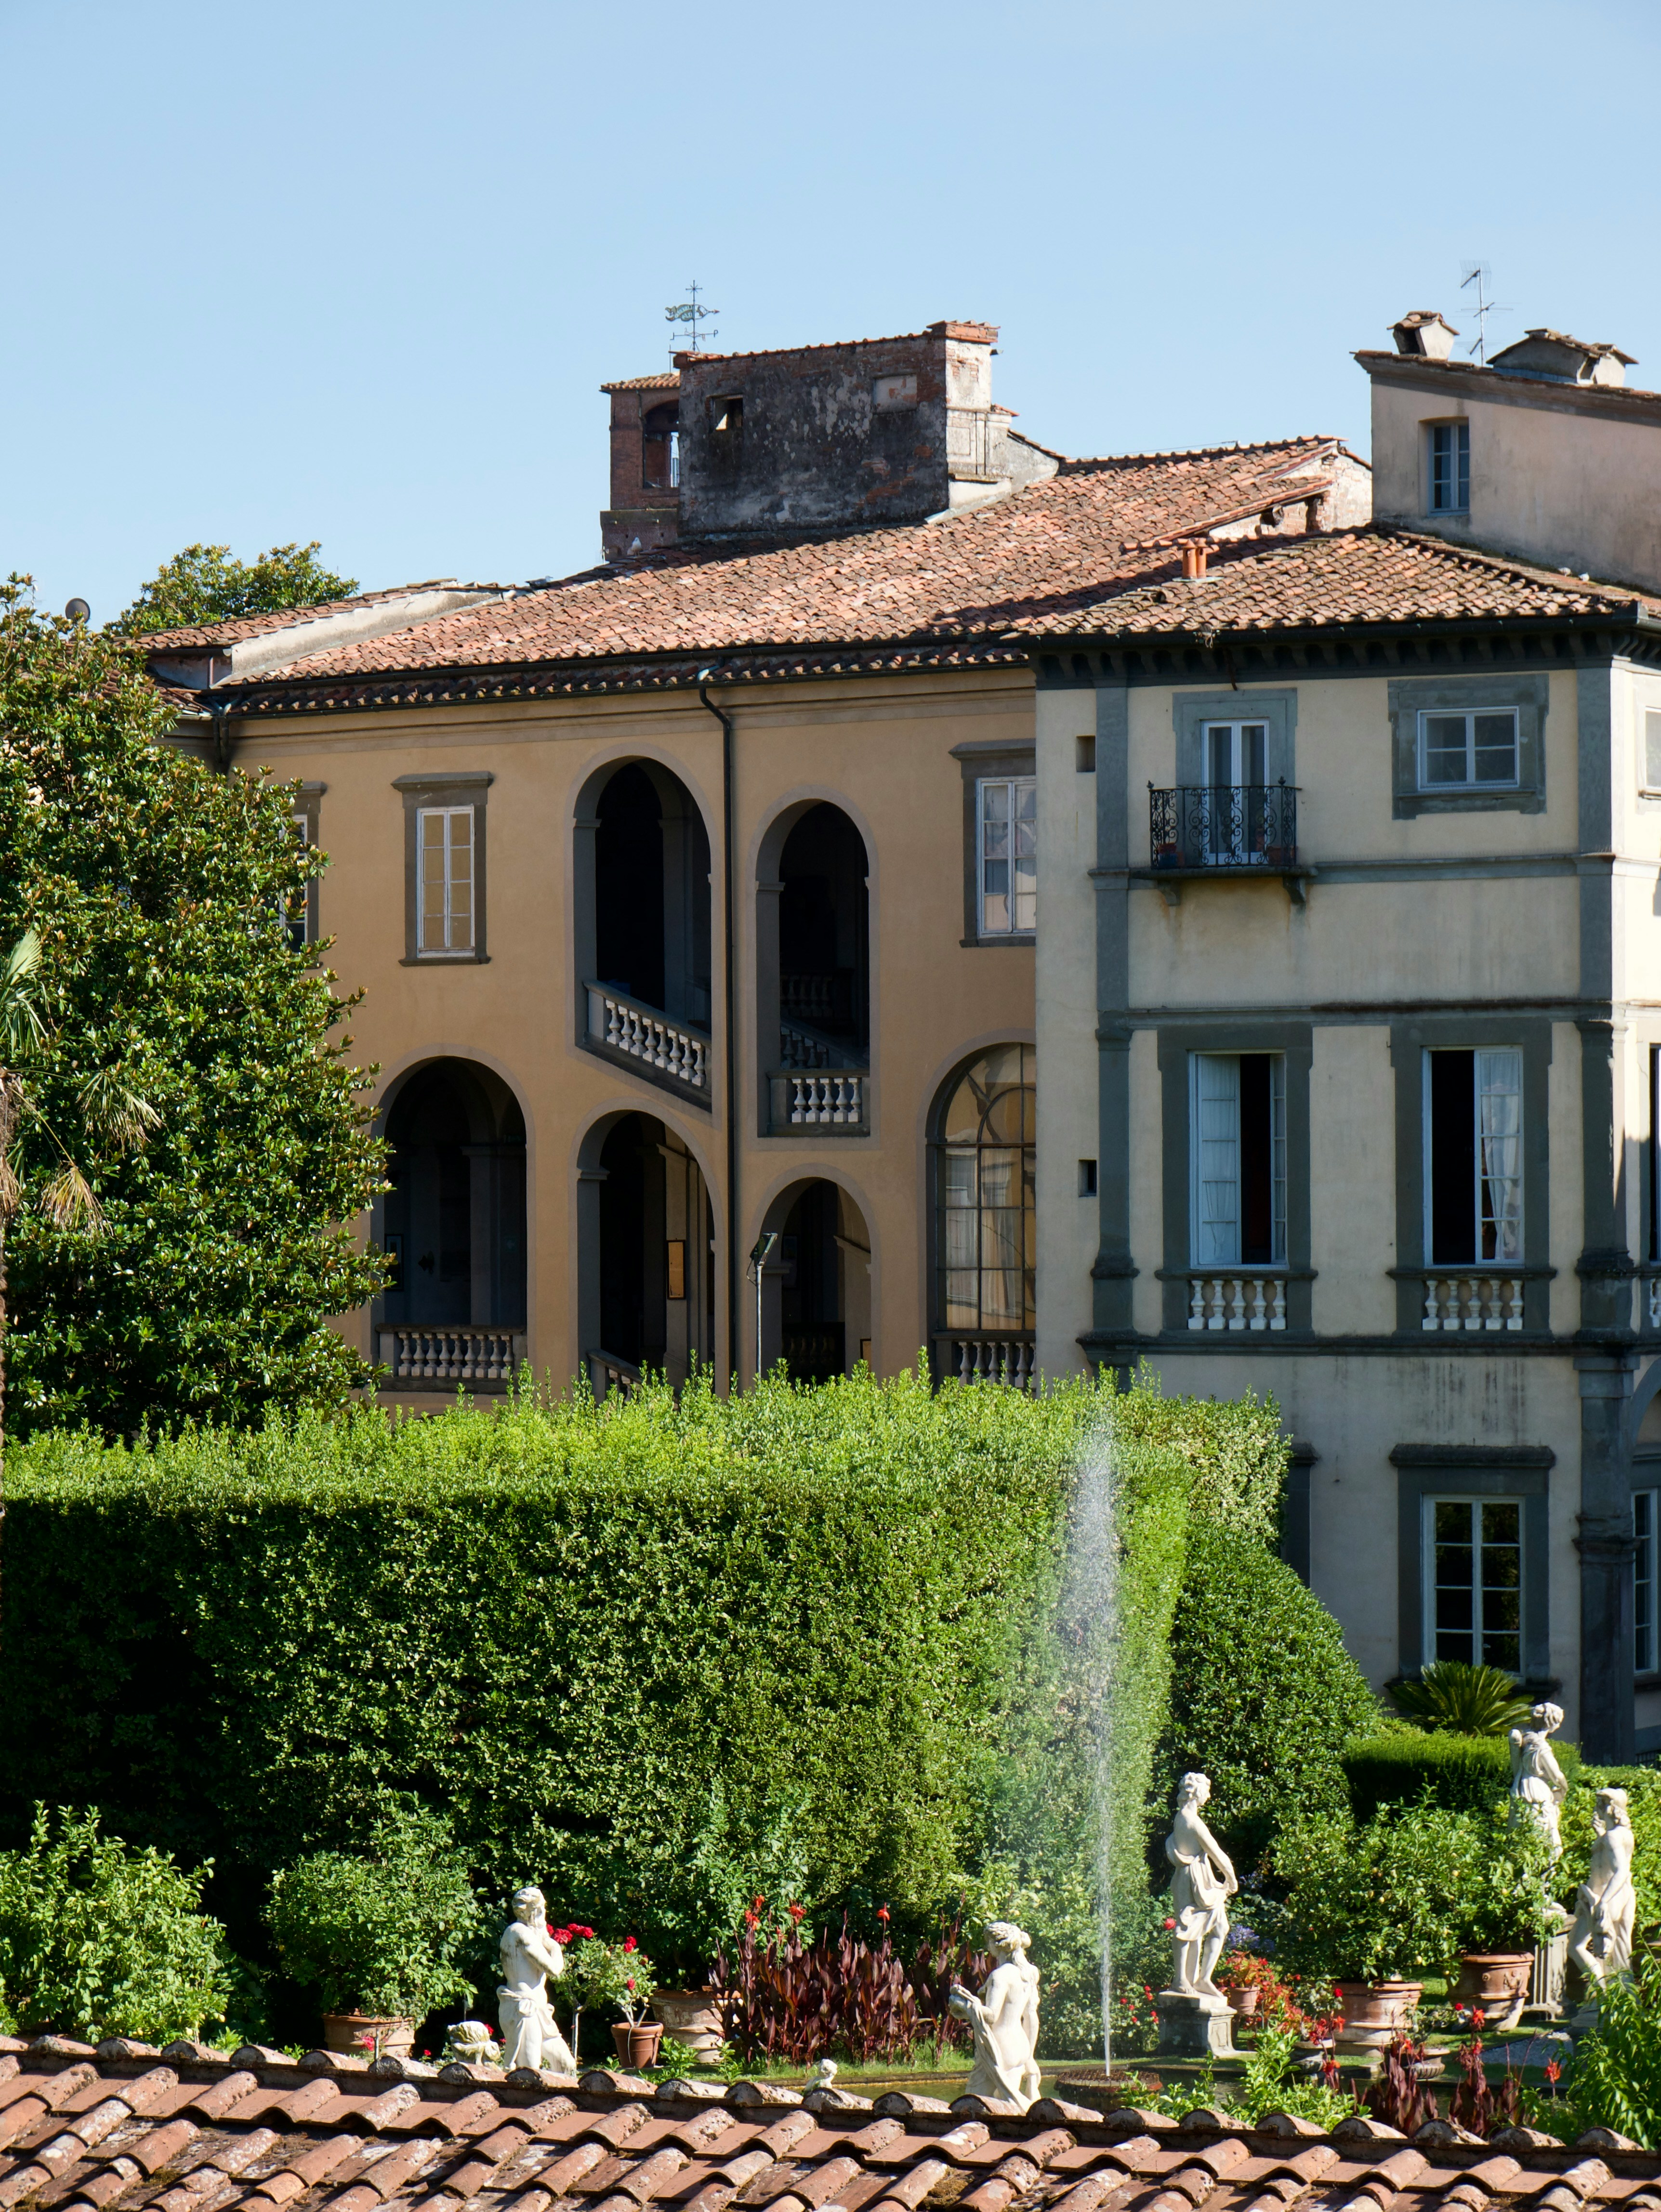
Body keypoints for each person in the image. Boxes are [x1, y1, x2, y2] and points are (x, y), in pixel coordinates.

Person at [948, 1922, 1041, 2111]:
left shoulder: (1000, 1976)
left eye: (989, 1942)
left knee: (973, 2102)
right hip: (1020, 2046)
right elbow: (1032, 2018)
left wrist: (965, 2006)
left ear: (997, 1945)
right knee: (1006, 2108)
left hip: (999, 2048)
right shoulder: (1028, 1974)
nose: (987, 1947)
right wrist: (1030, 2055)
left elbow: (991, 2016)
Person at [1166, 1772, 1237, 1998]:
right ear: (1197, 1793)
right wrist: (1231, 1879)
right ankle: (1181, 1979)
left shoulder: (1181, 1817)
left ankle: (1202, 1979)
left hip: (1191, 1877)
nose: (1209, 1794)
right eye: (1206, 1790)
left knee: (1219, 1926)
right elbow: (1217, 1854)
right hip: (1194, 1881)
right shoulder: (1193, 1822)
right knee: (1187, 1927)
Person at [498, 1885, 578, 2073]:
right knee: (530, 2072)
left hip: (540, 2010)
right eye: (542, 1908)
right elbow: (554, 1969)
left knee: (567, 2065)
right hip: (525, 2011)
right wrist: (554, 1947)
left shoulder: (529, 1933)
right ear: (534, 1910)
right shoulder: (519, 1932)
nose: (545, 1913)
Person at [1569, 1788, 1635, 1989]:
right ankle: (1622, 1998)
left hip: (1606, 1896)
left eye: (1601, 1803)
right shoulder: (1623, 1833)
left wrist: (1604, 1901)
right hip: (1622, 1895)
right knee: (1619, 1950)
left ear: (1613, 1808)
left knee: (1576, 1945)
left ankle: (1602, 1994)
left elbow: (1621, 1871)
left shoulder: (1613, 1837)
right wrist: (1601, 1835)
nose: (1597, 1807)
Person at [1508, 1702, 1569, 1862]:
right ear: (1552, 1724)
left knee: (1521, 1845)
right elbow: (1557, 1776)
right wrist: (1564, 1788)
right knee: (1548, 1847)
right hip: (1538, 1793)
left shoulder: (1525, 1738)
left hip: (1521, 1788)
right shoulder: (1542, 1748)